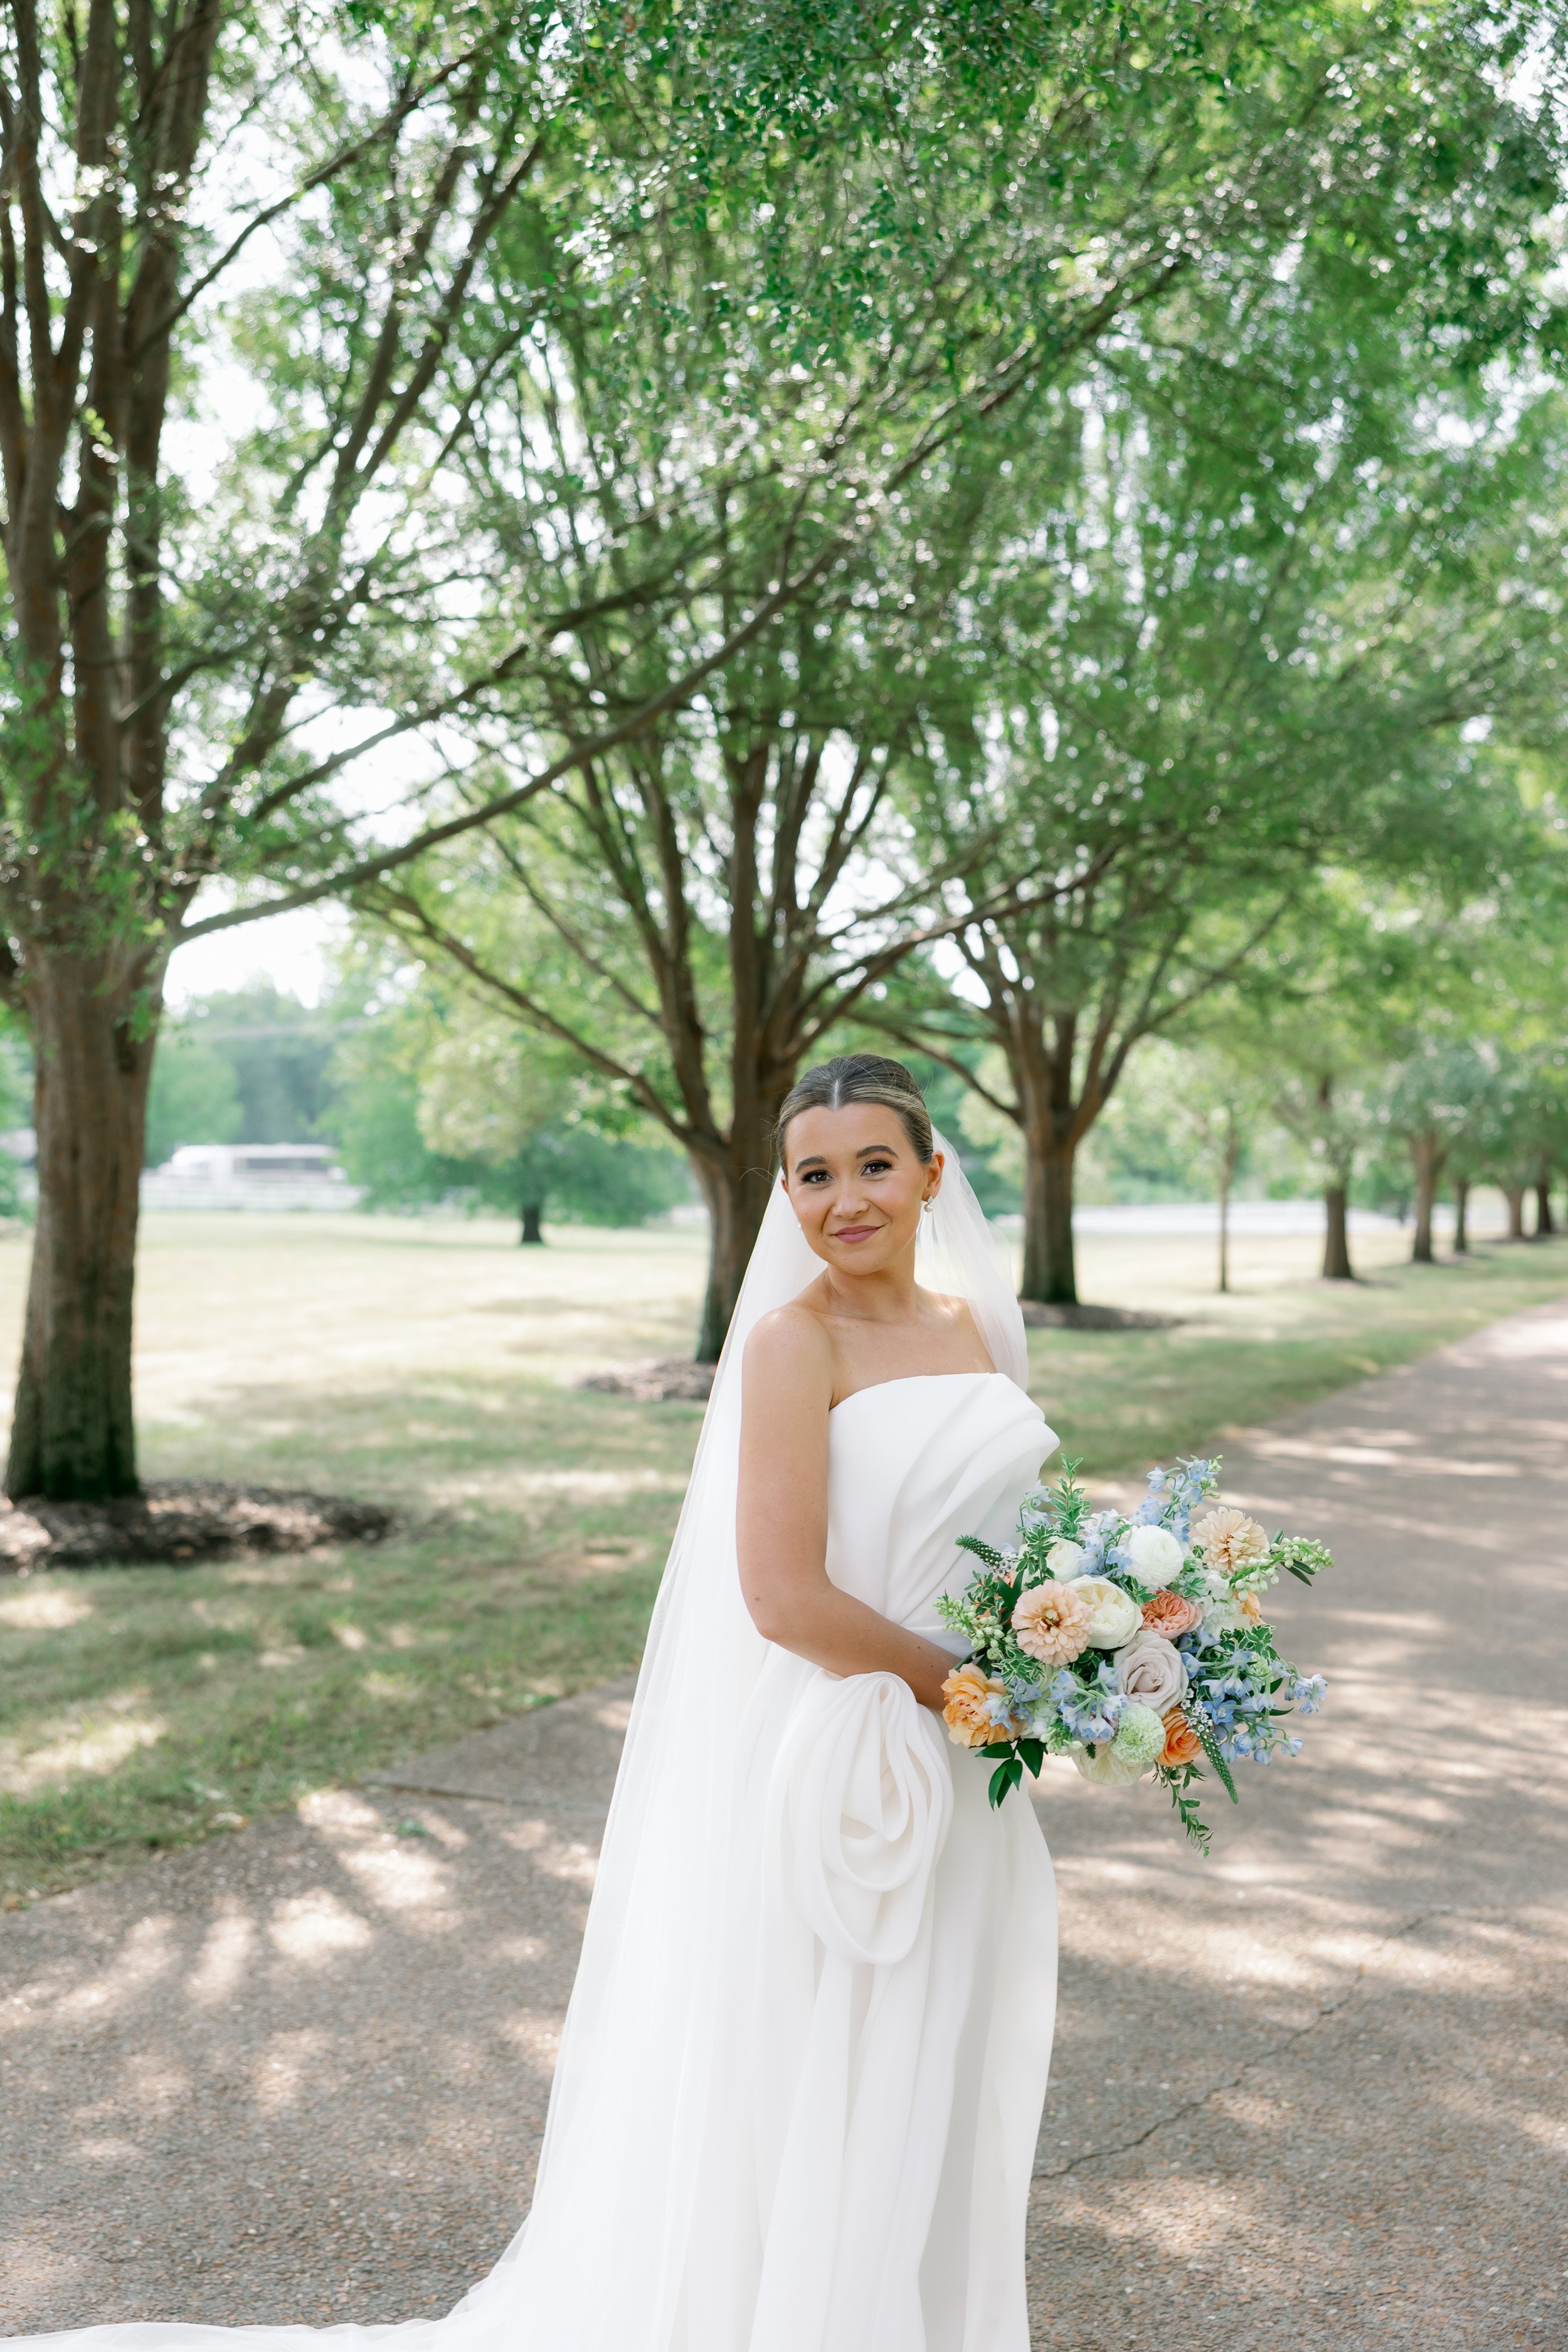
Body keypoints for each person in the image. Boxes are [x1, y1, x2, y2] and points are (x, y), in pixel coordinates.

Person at [28, 1054, 1059, 2352]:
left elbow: (1015, 1541)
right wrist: (965, 1688)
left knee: (934, 2061)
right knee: (821, 2062)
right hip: (844, 1763)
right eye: (812, 1174)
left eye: (872, 1166)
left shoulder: (976, 1330)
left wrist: (1067, 1652)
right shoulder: (791, 1344)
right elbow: (782, 1598)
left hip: (967, 1756)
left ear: (929, 1175)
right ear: (782, 1194)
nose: (845, 1199)